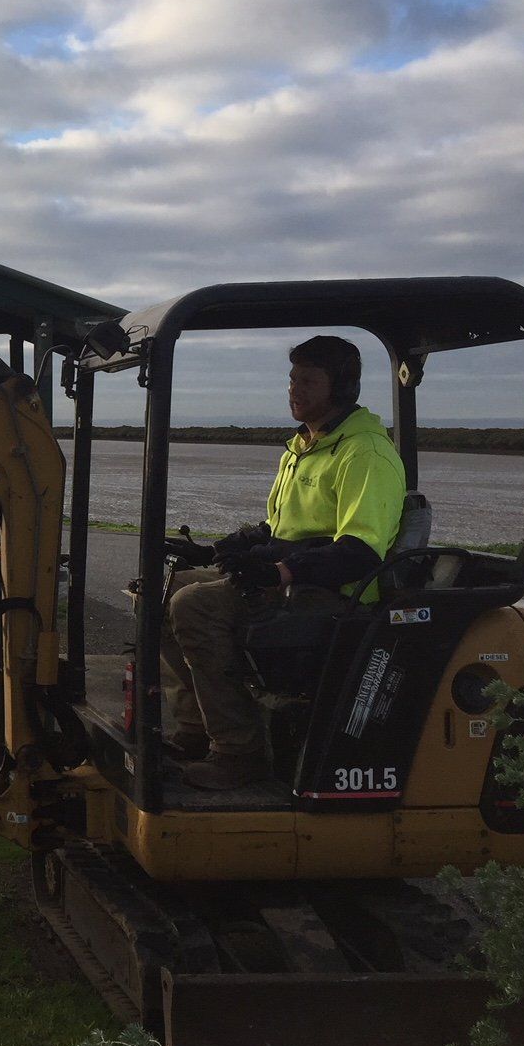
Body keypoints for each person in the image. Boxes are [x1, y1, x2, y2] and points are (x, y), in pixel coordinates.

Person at [162, 335, 406, 791]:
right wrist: (221, 550)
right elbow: (280, 529)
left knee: (194, 605)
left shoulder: (365, 454)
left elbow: (360, 552)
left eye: (308, 381)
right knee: (163, 590)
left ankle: (239, 752)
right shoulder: (303, 447)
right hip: (292, 578)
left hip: (334, 595)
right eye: (293, 379)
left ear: (342, 387)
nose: (294, 389)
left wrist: (279, 571)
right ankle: (196, 727)